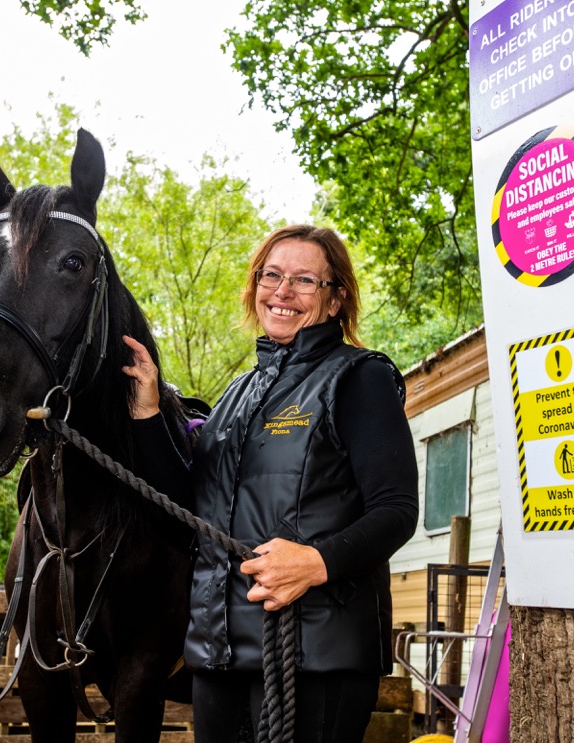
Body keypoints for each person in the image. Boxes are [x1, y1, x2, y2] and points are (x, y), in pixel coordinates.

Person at [122, 224, 418, 743]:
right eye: (271, 275)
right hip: (219, 655)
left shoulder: (359, 377)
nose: (282, 291)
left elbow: (397, 510)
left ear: (334, 299)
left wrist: (316, 562)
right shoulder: (238, 394)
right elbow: (191, 515)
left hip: (317, 655)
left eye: (304, 280)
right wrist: (148, 413)